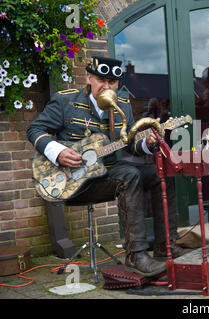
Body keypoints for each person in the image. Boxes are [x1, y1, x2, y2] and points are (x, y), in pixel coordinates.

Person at [27, 56, 185, 277]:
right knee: (129, 174)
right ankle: (136, 255)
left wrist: (146, 143)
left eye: (112, 82)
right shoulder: (66, 102)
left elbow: (131, 146)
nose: (107, 86)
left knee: (161, 173)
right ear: (89, 77)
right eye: (102, 80)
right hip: (73, 182)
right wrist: (59, 152)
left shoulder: (122, 107)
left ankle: (165, 245)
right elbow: (35, 130)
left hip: (108, 173)